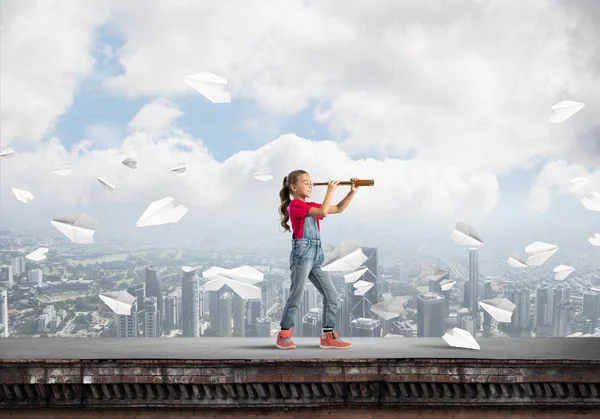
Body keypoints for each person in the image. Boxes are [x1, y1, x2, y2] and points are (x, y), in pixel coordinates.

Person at [276, 170, 359, 349]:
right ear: (294, 187)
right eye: (306, 182)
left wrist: (352, 192)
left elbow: (338, 208)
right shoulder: (296, 205)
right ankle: (284, 335)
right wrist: (330, 190)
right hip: (303, 253)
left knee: (332, 296)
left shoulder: (309, 205)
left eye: (311, 182)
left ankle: (328, 335)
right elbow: (324, 211)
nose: (311, 185)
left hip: (316, 254)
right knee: (296, 296)